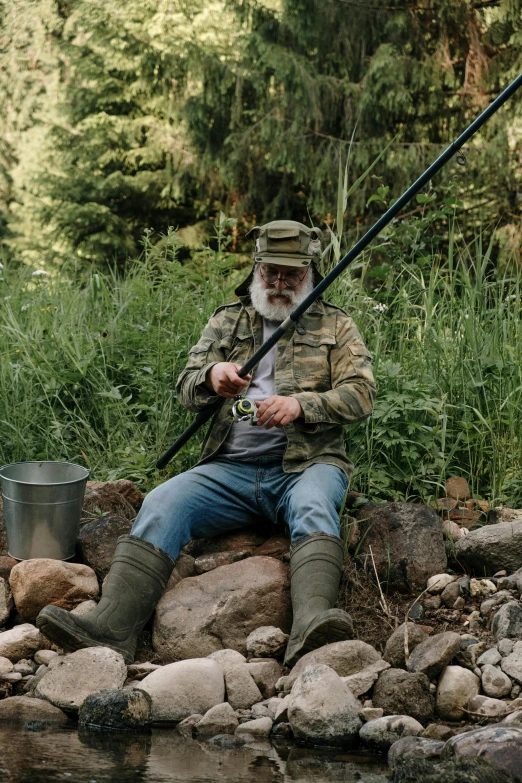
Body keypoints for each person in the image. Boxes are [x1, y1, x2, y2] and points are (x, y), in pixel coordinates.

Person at [37, 219, 376, 667]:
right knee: (162, 501)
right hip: (228, 470)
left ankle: (311, 625)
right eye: (270, 272)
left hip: (308, 465)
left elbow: (362, 394)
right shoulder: (227, 320)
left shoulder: (337, 324)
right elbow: (185, 386)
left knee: (313, 505)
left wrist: (301, 405)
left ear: (309, 272)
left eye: (290, 275)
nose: (278, 284)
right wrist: (212, 378)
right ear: (256, 268)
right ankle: (111, 628)